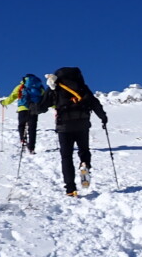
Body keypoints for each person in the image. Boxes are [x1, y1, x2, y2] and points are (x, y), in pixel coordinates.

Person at [35, 67, 108, 196]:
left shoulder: (55, 87)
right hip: (82, 124)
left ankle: (70, 188)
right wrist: (103, 117)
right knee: (84, 150)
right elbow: (94, 102)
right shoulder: (82, 87)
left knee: (66, 156)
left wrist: (31, 109)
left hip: (64, 127)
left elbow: (42, 106)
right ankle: (85, 164)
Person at [0, 73, 45, 154]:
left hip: (23, 108)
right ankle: (31, 147)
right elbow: (45, 97)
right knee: (32, 128)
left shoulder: (21, 86)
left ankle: (23, 139)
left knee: (22, 125)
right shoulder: (39, 86)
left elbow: (12, 97)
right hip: (34, 108)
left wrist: (4, 102)